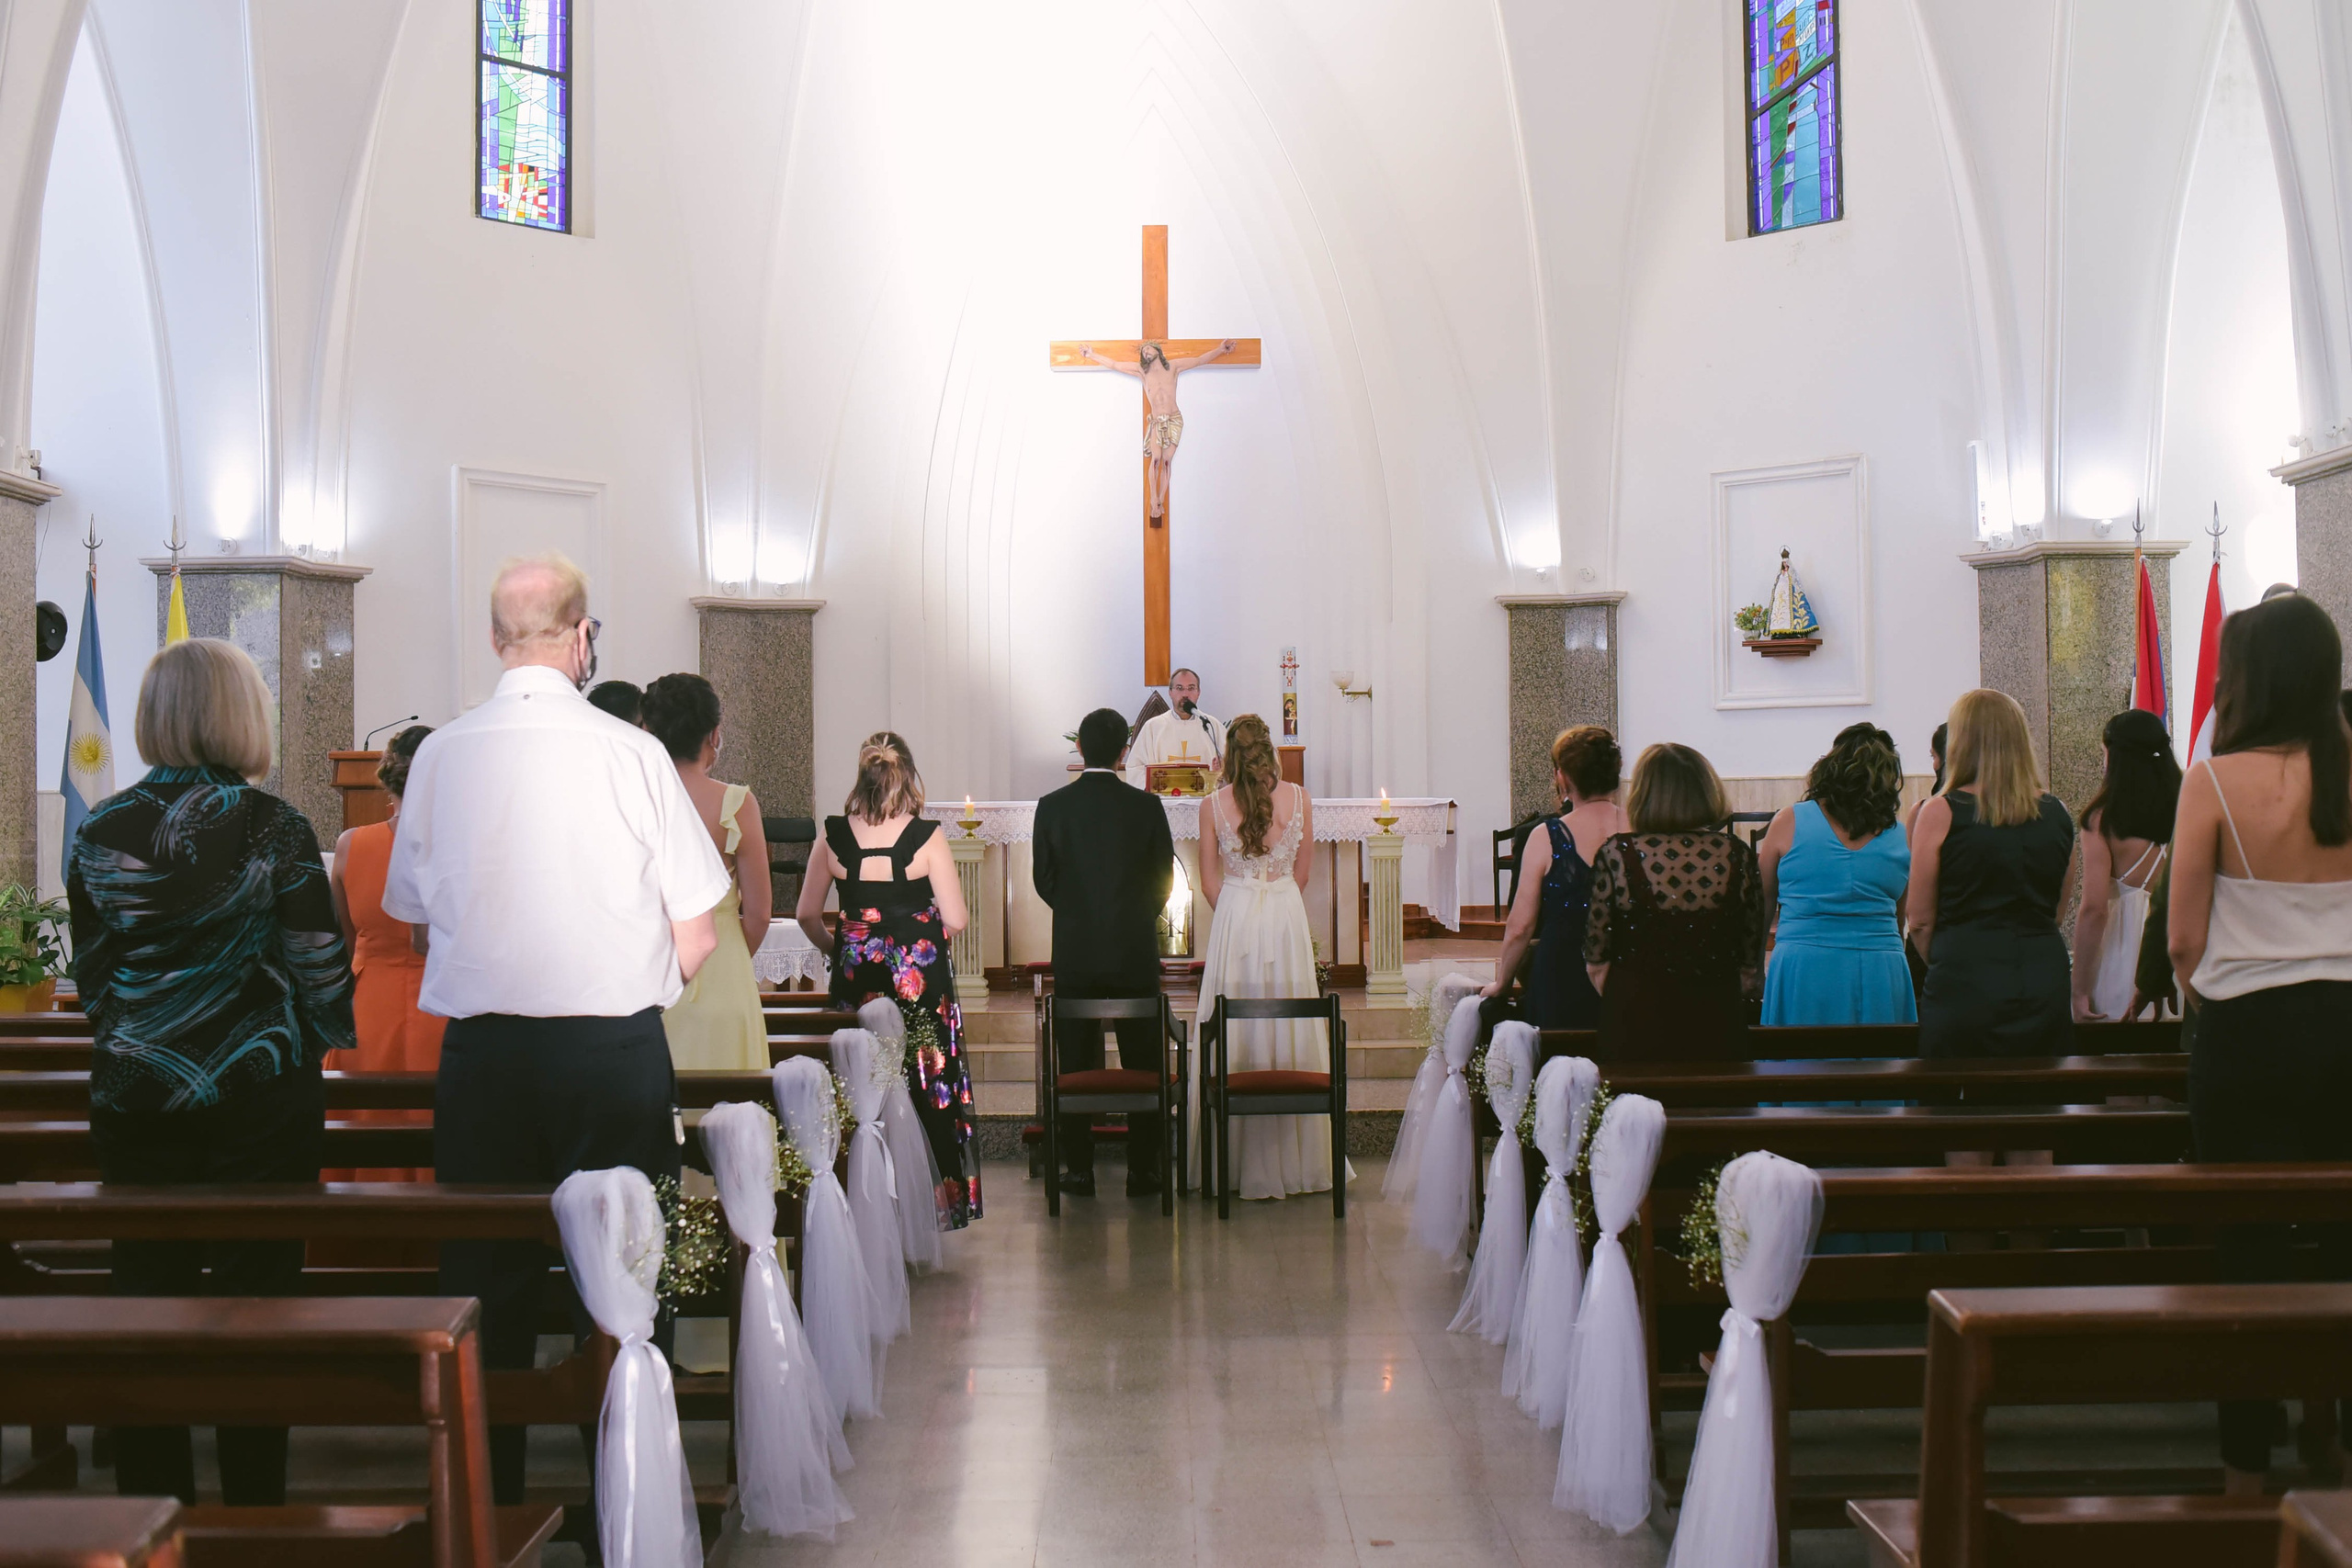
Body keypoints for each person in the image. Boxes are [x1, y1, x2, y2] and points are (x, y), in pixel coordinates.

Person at [382, 553, 729, 1504]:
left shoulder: (443, 753)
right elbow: (697, 931)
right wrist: (633, 992)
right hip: (610, 1053)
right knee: (621, 1280)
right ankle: (626, 1495)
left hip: (486, 1056)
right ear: (584, 639)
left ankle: (486, 1508)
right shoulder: (633, 753)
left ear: (495, 640)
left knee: (489, 1281)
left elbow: (411, 909)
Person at [69, 637, 356, 1506]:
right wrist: (323, 1029)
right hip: (259, 1099)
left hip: (137, 1096)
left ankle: (154, 1509)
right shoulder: (275, 826)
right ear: (241, 715)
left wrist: (142, 1031)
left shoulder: (99, 826)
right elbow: (317, 967)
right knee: (257, 1302)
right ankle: (255, 1501)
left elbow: (90, 973)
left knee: (145, 1293)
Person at [2167, 593, 2352, 1492]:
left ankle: (2248, 1461)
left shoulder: (2213, 782)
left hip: (2247, 1034)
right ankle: (2338, 1435)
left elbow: (2179, 937)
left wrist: (2203, 993)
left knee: (2247, 1248)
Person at [797, 731, 981, 1225]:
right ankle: (935, 1203)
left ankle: (861, 1202)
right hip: (915, 979)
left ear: (863, 775)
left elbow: (807, 913)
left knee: (860, 1084)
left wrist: (843, 948)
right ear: (908, 774)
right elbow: (958, 919)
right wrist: (912, 935)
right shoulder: (926, 836)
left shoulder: (833, 835)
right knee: (925, 1079)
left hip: (859, 976)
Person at [1033, 709, 1177, 1197]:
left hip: (1074, 953)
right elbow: (1165, 877)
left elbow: (1044, 879)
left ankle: (1079, 1169)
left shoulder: (1052, 806)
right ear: (1124, 752)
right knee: (1143, 1057)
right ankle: (1144, 1169)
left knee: (1074, 1058)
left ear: (1080, 749)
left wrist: (1078, 917)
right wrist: (1133, 919)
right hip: (1134, 953)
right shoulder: (1146, 806)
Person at [1197, 714, 1336, 1199]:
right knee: (1288, 1018)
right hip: (1285, 915)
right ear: (1270, 750)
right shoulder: (1300, 798)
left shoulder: (1212, 804)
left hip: (1235, 916)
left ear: (1231, 754)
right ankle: (1298, 1159)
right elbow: (1302, 873)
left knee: (1237, 1024)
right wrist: (1276, 903)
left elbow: (1209, 881)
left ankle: (1233, 1160)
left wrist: (1237, 909)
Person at [1907, 689, 2076, 1056]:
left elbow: (1919, 920)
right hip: (2042, 975)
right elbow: (2058, 911)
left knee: (1957, 1108)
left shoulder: (1940, 812)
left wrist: (1953, 961)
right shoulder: (2057, 811)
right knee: (2041, 1102)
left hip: (1963, 977)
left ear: (1961, 742)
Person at [1584, 743, 1765, 1059]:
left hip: (1634, 1021)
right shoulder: (1736, 854)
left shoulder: (1617, 854)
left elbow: (1596, 963)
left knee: (1633, 1109)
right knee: (1718, 1108)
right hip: (1716, 1021)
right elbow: (1750, 969)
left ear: (1643, 794)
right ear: (1706, 789)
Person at [326, 724, 443, 1181]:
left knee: (365, 1135)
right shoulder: (462, 850)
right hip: (441, 1007)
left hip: (368, 1011)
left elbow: (347, 938)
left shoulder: (351, 845)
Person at [642, 673, 773, 1071]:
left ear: (649, 732)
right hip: (723, 970)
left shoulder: (634, 796)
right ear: (714, 735)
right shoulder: (736, 803)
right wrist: (729, 956)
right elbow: (759, 914)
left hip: (650, 974)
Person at [1759, 724, 1915, 1026]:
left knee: (1802, 1066)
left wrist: (1753, 967)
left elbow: (1762, 906)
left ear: (1830, 766)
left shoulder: (1788, 821)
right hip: (1880, 968)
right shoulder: (1900, 837)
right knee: (1878, 1068)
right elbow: (1898, 920)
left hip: (1802, 968)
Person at [1485, 726, 1626, 1027]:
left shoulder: (1546, 836)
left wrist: (1502, 983)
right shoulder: (1642, 826)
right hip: (1625, 978)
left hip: (1561, 978)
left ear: (1562, 777)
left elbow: (1521, 926)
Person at [2072, 709, 2181, 1021]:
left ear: (2116, 757)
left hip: (2122, 959)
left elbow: (2094, 909)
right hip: (2181, 952)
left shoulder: (2101, 819)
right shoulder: (2191, 804)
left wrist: (2078, 989)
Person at [1077, 338, 1238, 517]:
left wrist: (1220, 349)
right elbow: (1115, 364)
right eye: (1143, 351)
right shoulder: (1141, 371)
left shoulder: (1174, 367)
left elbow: (1199, 360)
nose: (1145, 352)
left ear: (1158, 350)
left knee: (1167, 461)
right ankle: (1154, 499)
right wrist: (1092, 355)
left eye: (1148, 348)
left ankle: (1161, 498)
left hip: (1174, 418)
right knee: (1156, 458)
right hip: (1156, 420)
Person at [1125, 666, 1226, 787]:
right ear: (1170, 692)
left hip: (1204, 801)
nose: (1185, 694)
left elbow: (1230, 766)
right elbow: (1135, 768)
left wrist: (1221, 772)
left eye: (1191, 688)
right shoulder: (1153, 727)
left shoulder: (1212, 726)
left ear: (1198, 692)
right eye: (1179, 688)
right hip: (1162, 801)